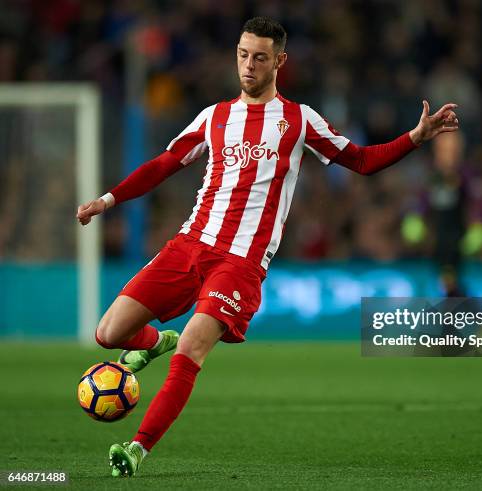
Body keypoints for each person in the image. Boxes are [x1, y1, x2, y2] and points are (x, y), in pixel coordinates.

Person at [76, 16, 459, 477]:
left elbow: (359, 161)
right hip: (190, 244)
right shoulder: (214, 117)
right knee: (109, 333)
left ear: (279, 61)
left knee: (191, 353)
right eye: (242, 54)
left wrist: (415, 138)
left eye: (259, 57)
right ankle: (156, 341)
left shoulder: (299, 120)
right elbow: (163, 165)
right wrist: (107, 199)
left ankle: (136, 448)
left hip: (240, 262)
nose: (248, 65)